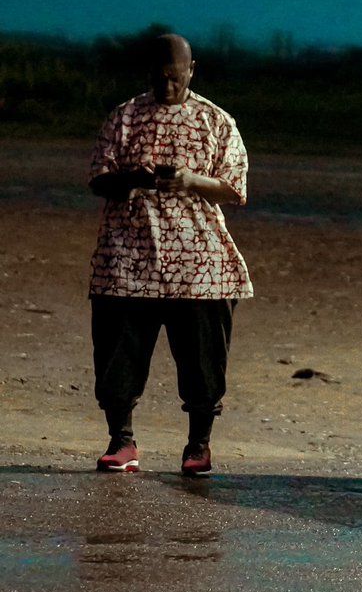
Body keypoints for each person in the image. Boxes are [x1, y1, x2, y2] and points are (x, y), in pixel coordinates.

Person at [88, 32, 253, 475]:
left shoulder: (216, 122)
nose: (167, 85)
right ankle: (121, 441)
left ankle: (198, 445)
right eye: (160, 77)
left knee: (203, 363)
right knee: (117, 357)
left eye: (176, 77)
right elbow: (98, 179)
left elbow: (234, 189)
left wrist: (190, 181)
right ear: (148, 73)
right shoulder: (124, 118)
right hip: (127, 261)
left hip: (200, 267)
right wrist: (134, 179)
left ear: (191, 71)